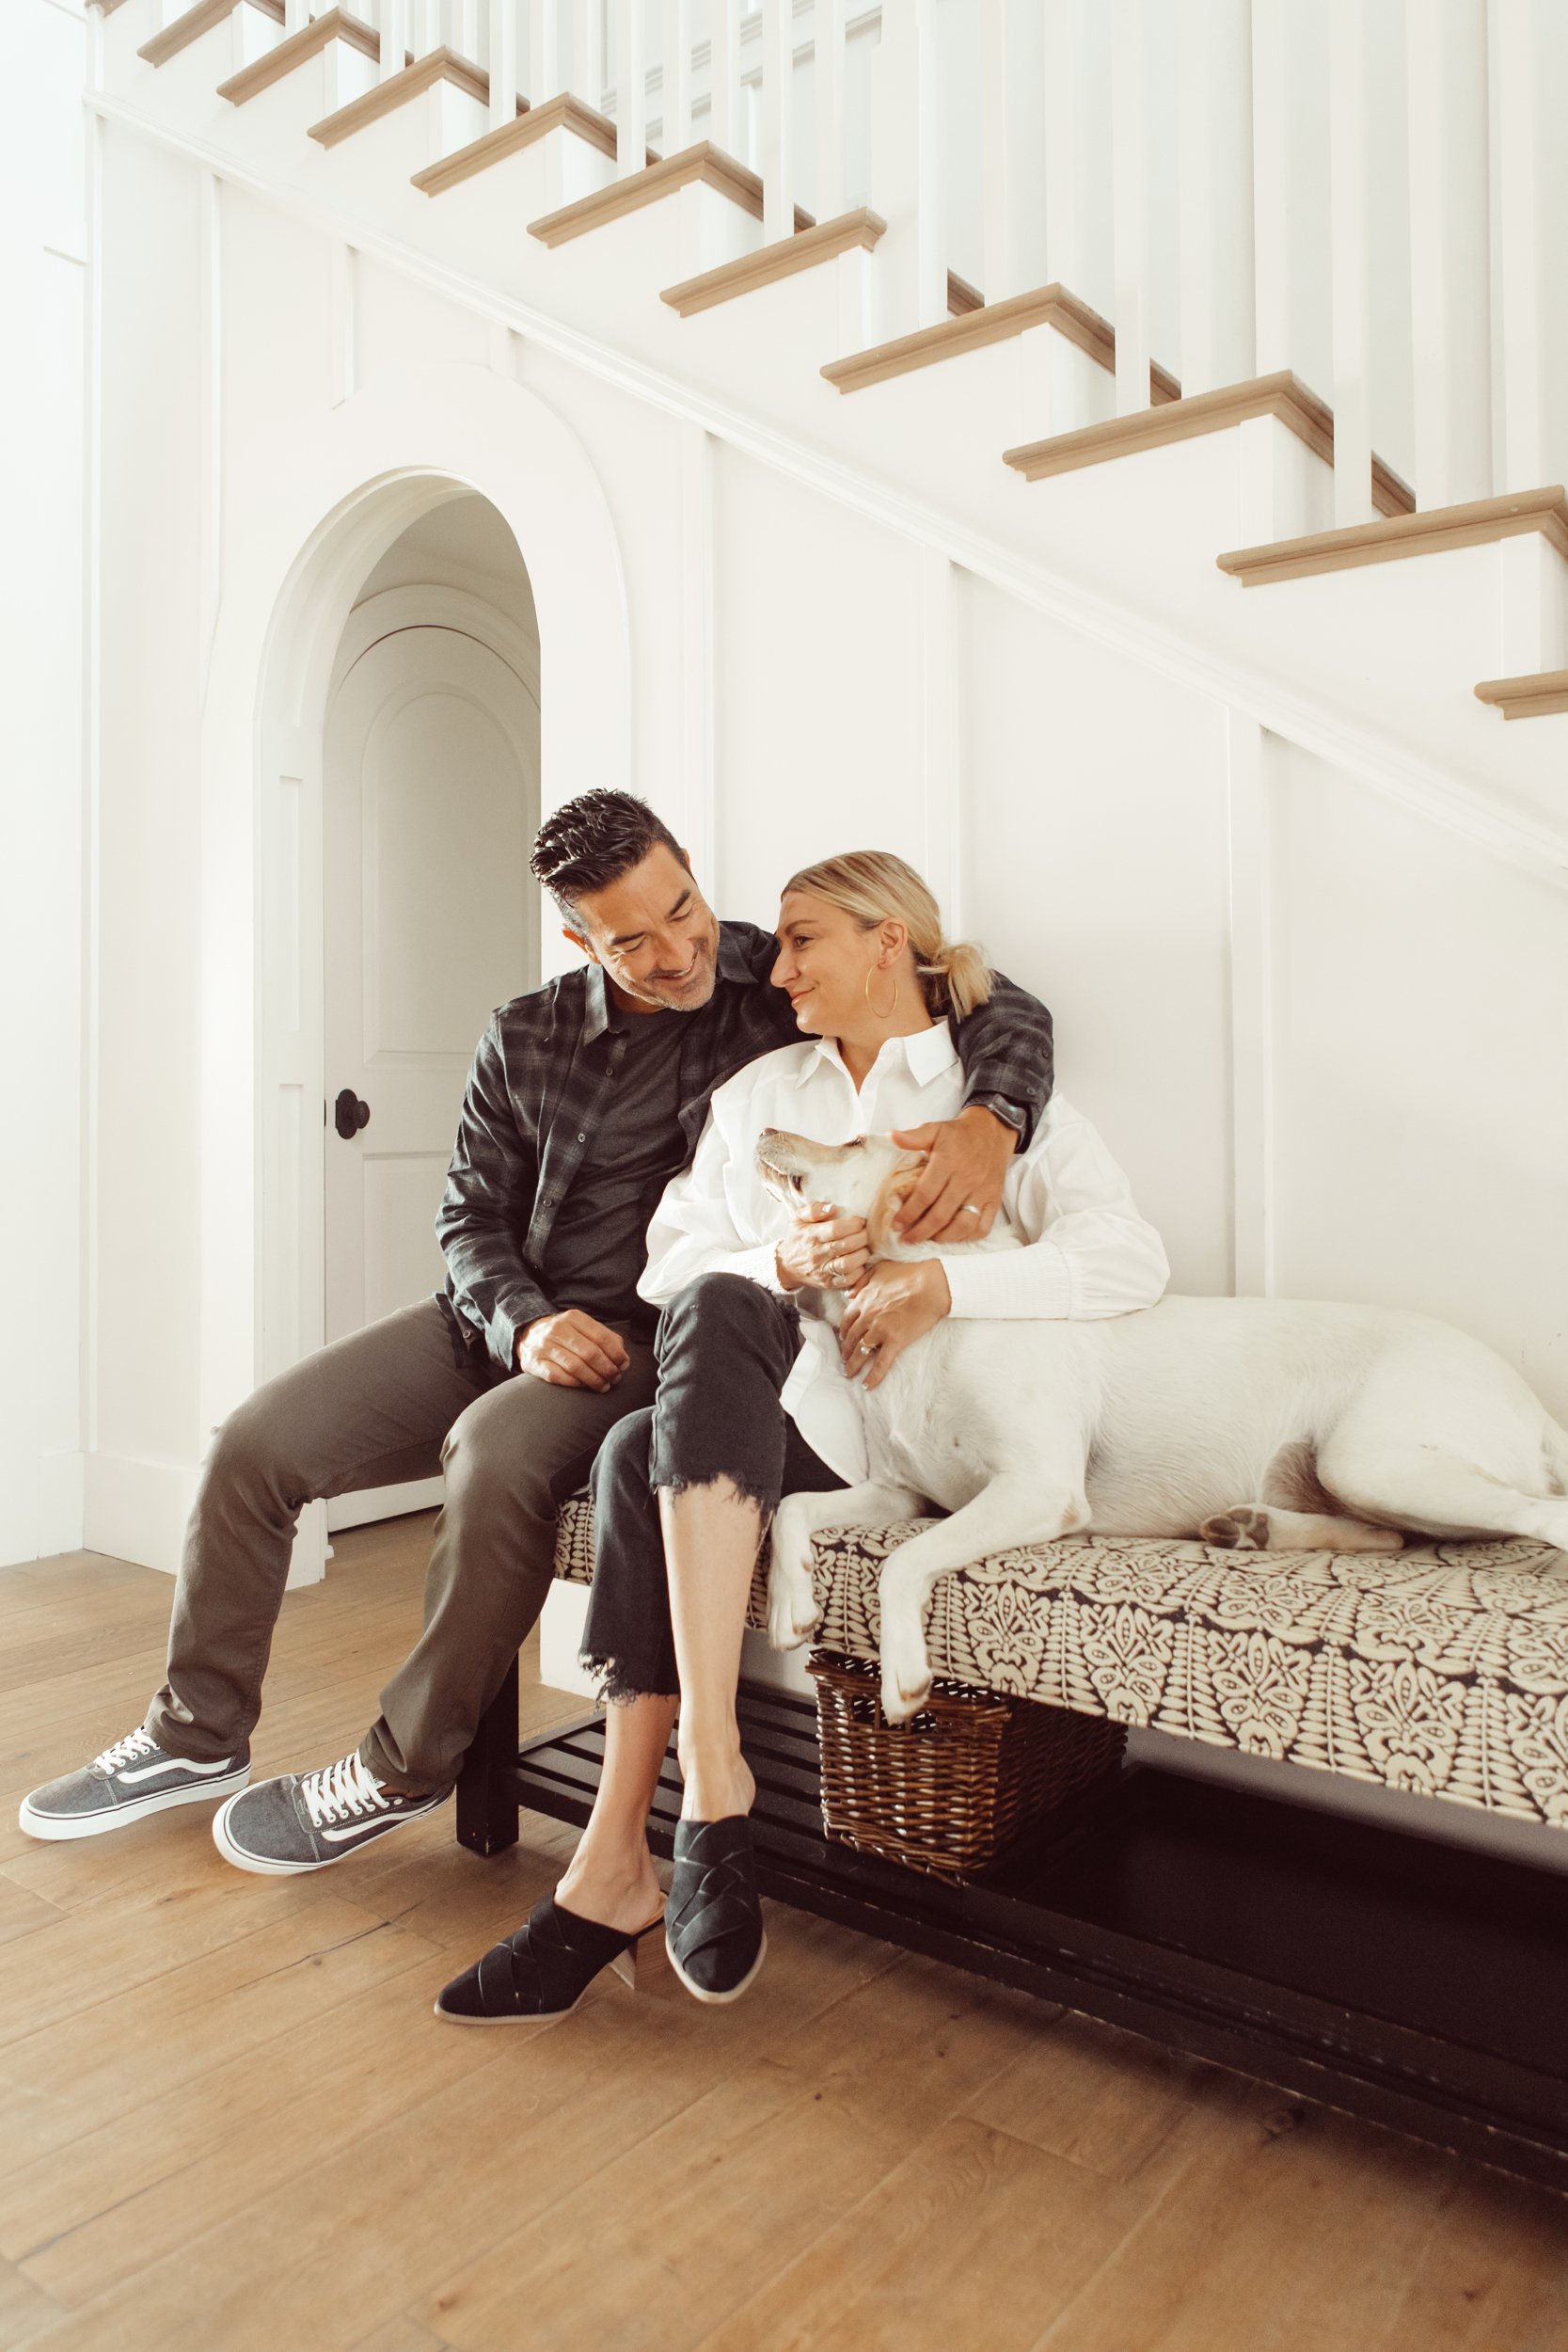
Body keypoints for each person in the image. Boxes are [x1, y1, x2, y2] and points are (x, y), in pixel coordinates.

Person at [20, 801, 1055, 1872]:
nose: (675, 951)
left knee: (493, 1452)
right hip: (501, 1320)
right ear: (580, 942)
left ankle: (400, 1766)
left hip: (651, 1340)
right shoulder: (525, 1034)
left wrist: (996, 1115)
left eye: (682, 909)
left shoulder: (768, 975)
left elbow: (980, 993)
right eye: (632, 942)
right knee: (252, 1442)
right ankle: (194, 1735)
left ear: (694, 876)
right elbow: (466, 1216)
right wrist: (523, 1323)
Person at [435, 850, 1168, 2022]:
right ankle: (709, 1780)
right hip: (803, 1425)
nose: (771, 970)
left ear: (888, 943)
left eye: (799, 941)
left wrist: (941, 1285)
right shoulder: (763, 1096)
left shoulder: (988, 1109)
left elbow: (1136, 1258)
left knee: (634, 1458)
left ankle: (618, 1860)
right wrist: (777, 1262)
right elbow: (666, 1268)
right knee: (719, 1306)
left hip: (930, 1453)